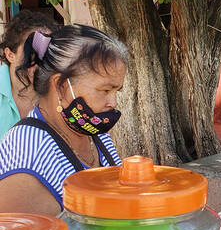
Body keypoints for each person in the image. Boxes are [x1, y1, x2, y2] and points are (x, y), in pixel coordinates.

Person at [0, 25, 127, 216]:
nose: (113, 102)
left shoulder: (92, 131)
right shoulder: (29, 155)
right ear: (60, 86)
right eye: (105, 90)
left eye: (117, 91)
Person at [0, 10, 59, 139]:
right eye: (31, 51)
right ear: (10, 55)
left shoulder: (61, 96)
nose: (41, 61)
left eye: (47, 51)